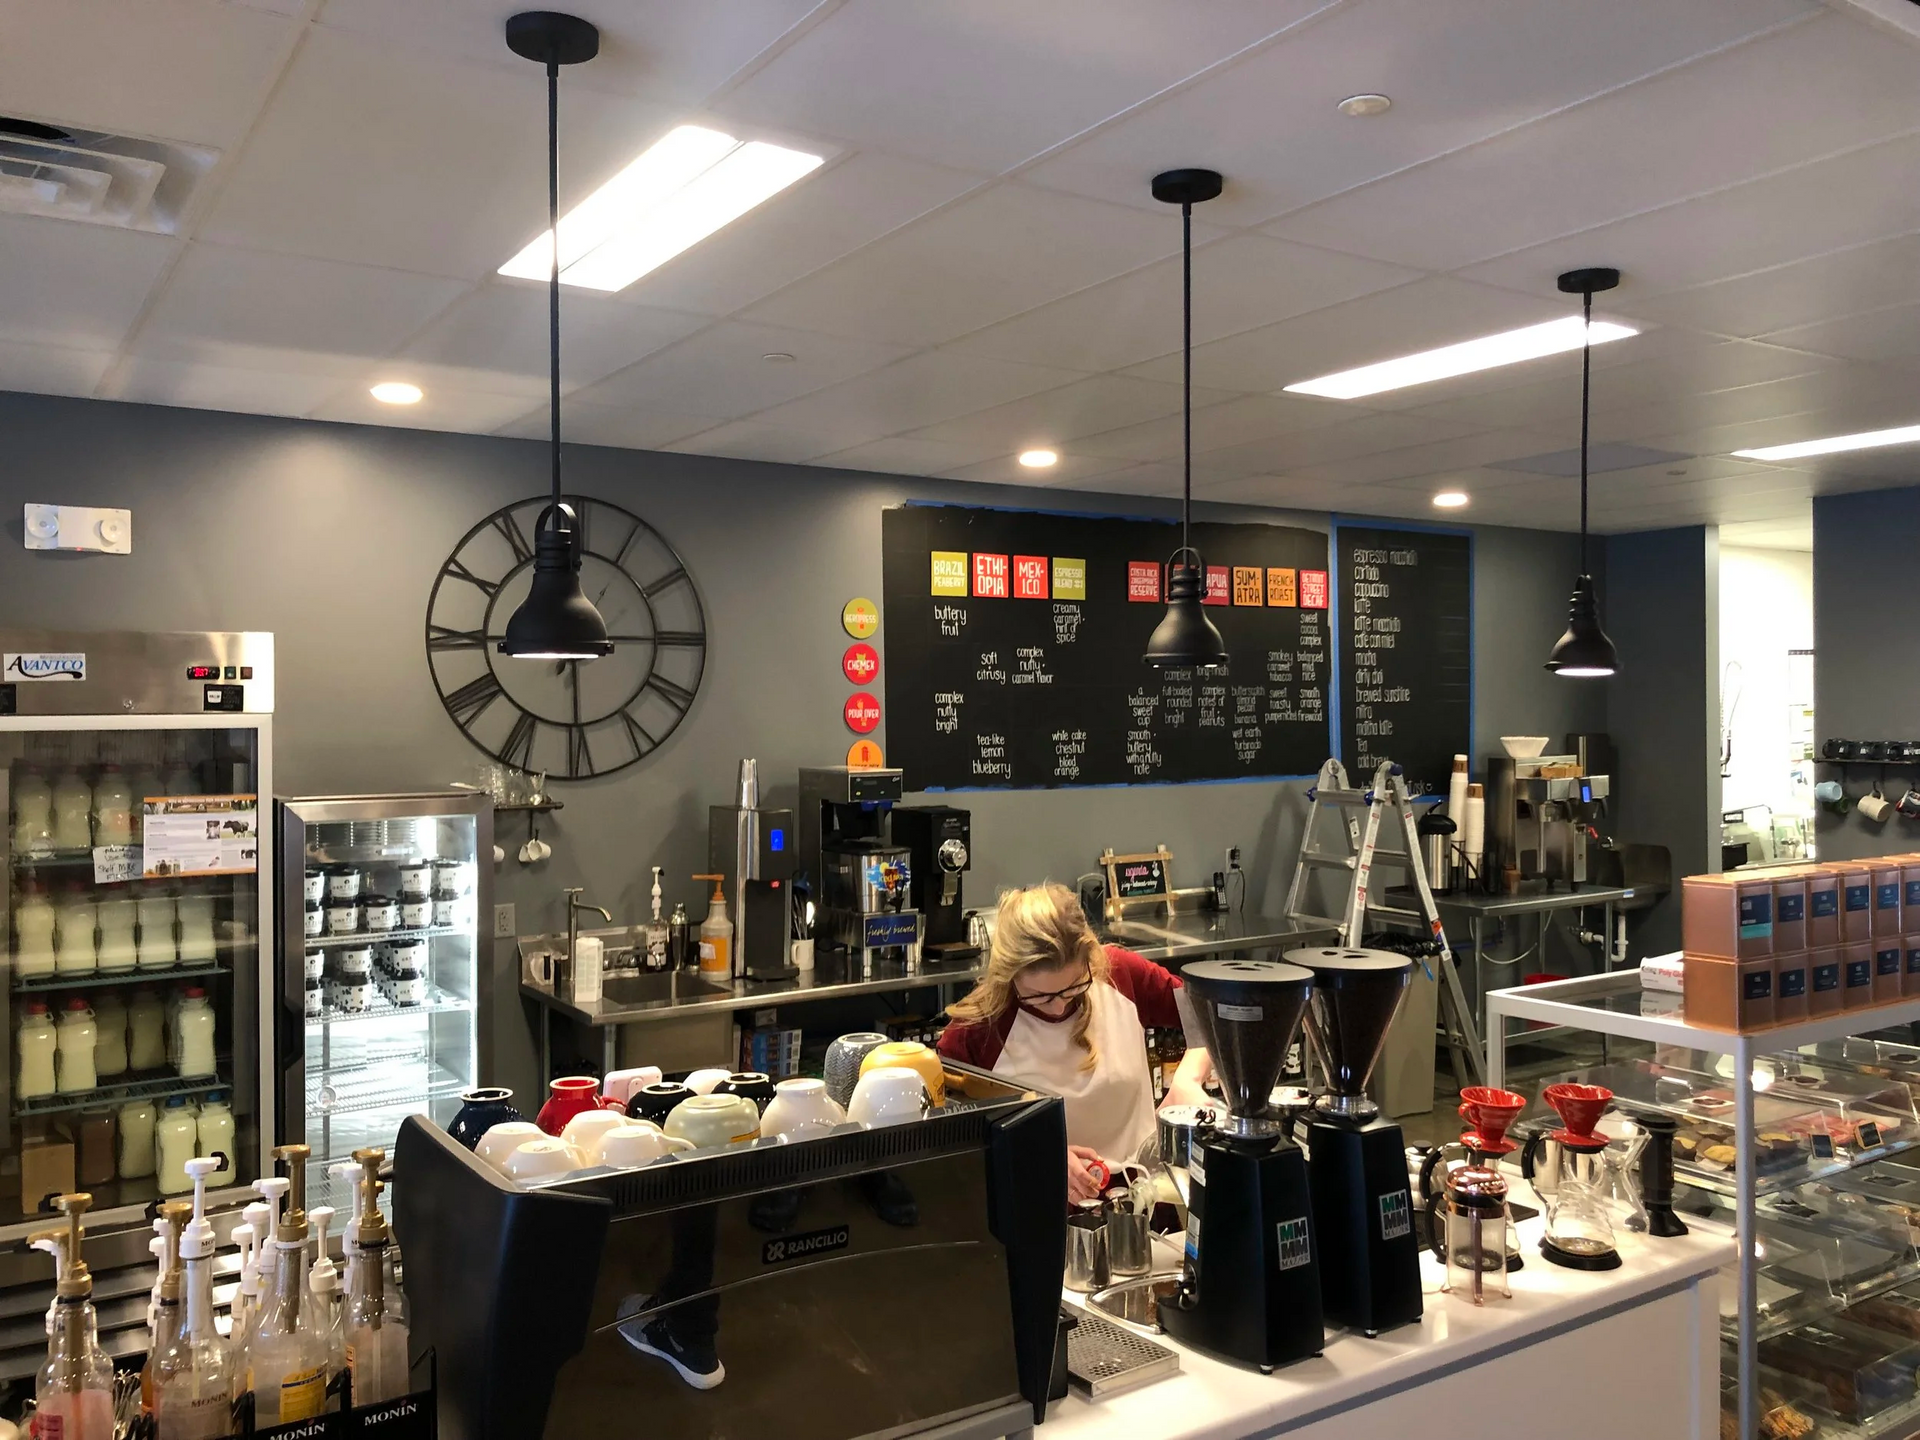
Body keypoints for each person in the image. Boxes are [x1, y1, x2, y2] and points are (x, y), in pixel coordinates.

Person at [937, 882, 1212, 1202]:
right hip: (1040, 1208)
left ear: (1089, 958)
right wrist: (1034, 1150)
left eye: (1073, 989)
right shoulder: (980, 1028)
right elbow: (948, 1135)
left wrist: (1188, 1079)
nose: (1059, 1007)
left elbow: (1210, 1019)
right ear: (1008, 975)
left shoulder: (1119, 975)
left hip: (1143, 1196)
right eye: (1040, 997)